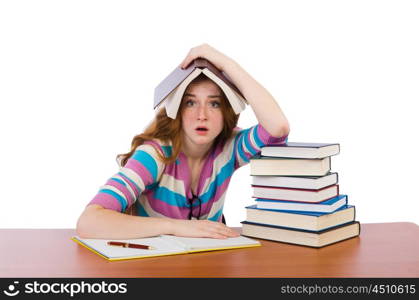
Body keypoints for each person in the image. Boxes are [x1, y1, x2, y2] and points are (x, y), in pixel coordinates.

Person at [76, 44, 290, 240]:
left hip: (208, 266)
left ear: (226, 112)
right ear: (177, 110)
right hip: (156, 268)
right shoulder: (155, 155)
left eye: (214, 104)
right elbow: (89, 221)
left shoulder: (229, 148)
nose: (202, 115)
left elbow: (278, 127)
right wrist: (174, 226)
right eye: (190, 102)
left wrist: (225, 63)